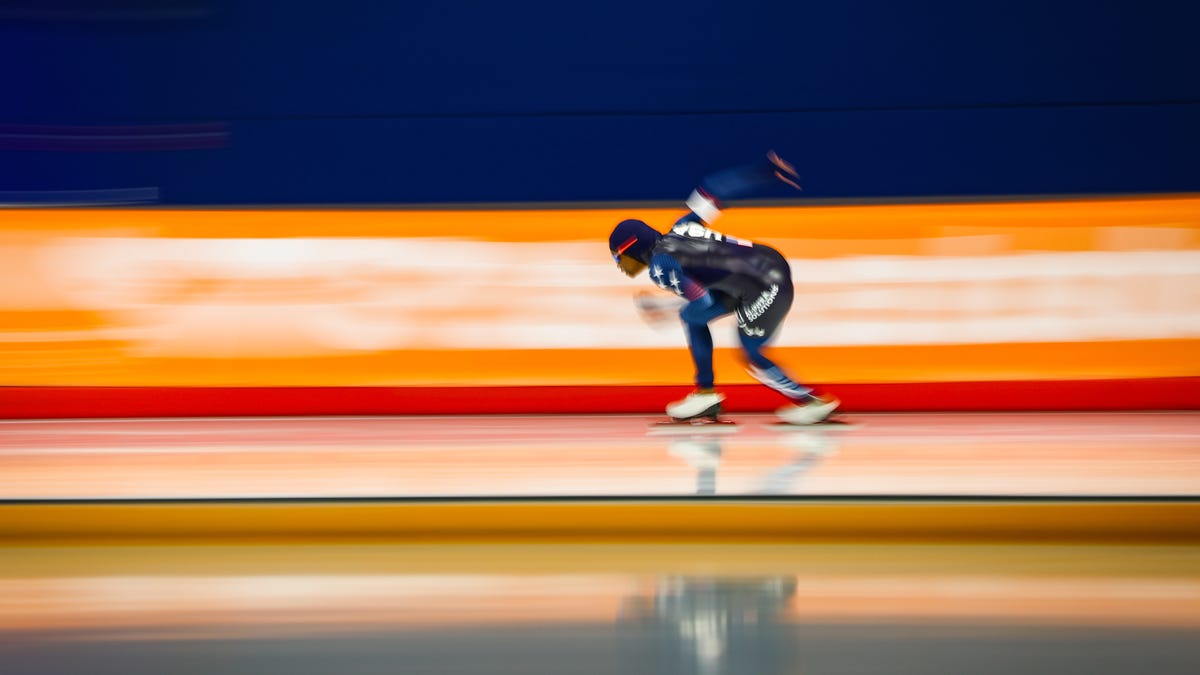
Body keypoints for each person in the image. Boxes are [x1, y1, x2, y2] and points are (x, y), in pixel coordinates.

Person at [608, 151, 839, 424]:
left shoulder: (662, 267)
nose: (620, 266)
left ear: (631, 250)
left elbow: (703, 301)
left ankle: (810, 401)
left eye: (618, 258)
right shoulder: (682, 226)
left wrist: (665, 308)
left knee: (750, 352)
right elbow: (713, 189)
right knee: (692, 317)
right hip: (770, 262)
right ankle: (705, 393)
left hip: (763, 287)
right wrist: (762, 170)